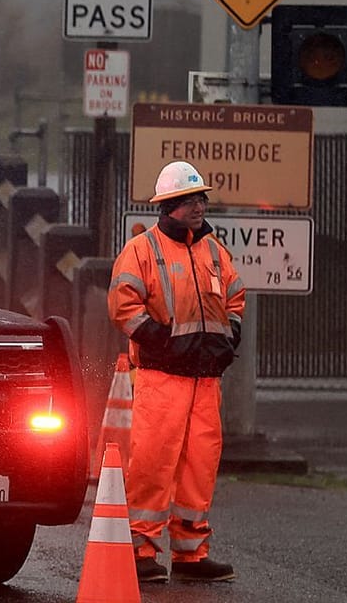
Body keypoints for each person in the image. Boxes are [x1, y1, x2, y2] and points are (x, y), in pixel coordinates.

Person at [109, 160, 245, 584]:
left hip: (205, 379)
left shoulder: (214, 251)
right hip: (163, 377)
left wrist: (230, 336)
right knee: (152, 462)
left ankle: (190, 554)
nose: (199, 205)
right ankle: (140, 550)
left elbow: (236, 297)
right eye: (190, 199)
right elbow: (122, 305)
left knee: (198, 466)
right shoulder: (142, 250)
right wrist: (162, 341)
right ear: (169, 206)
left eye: (201, 198)